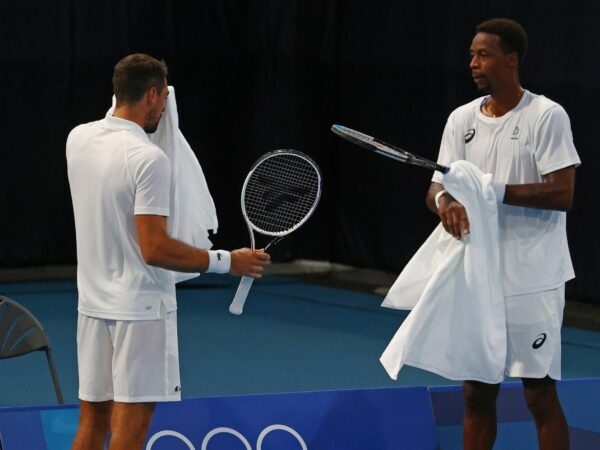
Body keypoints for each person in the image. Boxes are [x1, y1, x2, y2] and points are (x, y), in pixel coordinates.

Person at [66, 53, 270, 450]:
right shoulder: (148, 159)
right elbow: (154, 248)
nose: (164, 108)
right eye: (163, 98)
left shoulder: (78, 139)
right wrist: (227, 261)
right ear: (153, 95)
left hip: (91, 307)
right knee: (129, 433)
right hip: (141, 312)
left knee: (91, 425)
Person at [426, 19, 580, 450]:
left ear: (511, 60)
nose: (473, 63)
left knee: (538, 394)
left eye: (484, 54)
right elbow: (437, 185)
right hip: (479, 277)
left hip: (532, 279)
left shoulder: (547, 116)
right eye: (472, 55)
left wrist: (492, 190)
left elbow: (563, 193)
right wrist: (446, 204)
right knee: (477, 393)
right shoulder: (460, 119)